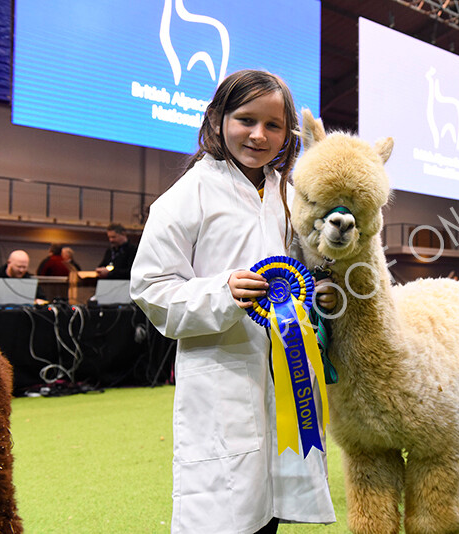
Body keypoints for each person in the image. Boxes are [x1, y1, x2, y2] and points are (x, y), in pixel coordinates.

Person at [130, 70, 336, 534]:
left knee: (270, 510)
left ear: (288, 134)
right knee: (223, 511)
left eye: (274, 125)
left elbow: (311, 265)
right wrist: (221, 292)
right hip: (220, 376)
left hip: (288, 376)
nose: (259, 135)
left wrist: (323, 291)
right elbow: (149, 285)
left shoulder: (290, 194)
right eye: (246, 119)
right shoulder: (186, 196)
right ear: (217, 119)